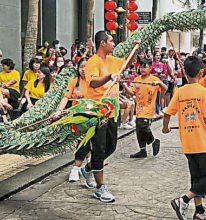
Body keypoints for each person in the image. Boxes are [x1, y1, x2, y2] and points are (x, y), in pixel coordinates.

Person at [163, 56, 206, 220]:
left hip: (187, 142)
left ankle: (200, 212)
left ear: (185, 74)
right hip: (202, 143)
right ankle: (183, 200)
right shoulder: (204, 93)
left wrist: (165, 128)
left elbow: (167, 113)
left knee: (197, 177)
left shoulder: (180, 92)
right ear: (201, 72)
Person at [81, 31, 130, 203]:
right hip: (97, 112)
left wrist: (137, 46)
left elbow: (128, 61)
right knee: (100, 148)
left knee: (111, 146)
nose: (113, 44)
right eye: (111, 41)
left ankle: (88, 168)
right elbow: (93, 83)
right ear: (102, 43)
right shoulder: (92, 62)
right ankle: (100, 188)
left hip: (111, 111)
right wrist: (109, 77)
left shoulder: (113, 60)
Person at [54, 57, 93, 183]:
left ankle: (76, 168)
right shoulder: (73, 81)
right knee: (82, 141)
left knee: (84, 142)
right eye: (81, 66)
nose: (83, 69)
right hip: (76, 117)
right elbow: (66, 97)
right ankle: (88, 161)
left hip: (92, 117)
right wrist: (59, 111)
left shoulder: (94, 81)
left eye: (86, 67)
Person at [121, 59, 167, 158]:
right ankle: (143, 150)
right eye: (141, 67)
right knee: (139, 130)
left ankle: (154, 141)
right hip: (139, 109)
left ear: (150, 68)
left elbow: (165, 89)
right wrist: (123, 84)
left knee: (143, 126)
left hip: (149, 109)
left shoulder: (154, 79)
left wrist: (159, 84)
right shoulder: (137, 79)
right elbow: (132, 92)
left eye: (145, 67)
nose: (142, 69)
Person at [151, 51, 169, 117]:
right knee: (153, 97)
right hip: (153, 83)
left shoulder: (162, 64)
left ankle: (158, 110)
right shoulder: (152, 64)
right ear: (154, 56)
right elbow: (150, 74)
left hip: (160, 82)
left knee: (159, 97)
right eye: (156, 55)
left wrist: (160, 74)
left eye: (159, 55)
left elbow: (164, 74)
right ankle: (153, 111)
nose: (158, 57)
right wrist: (155, 74)